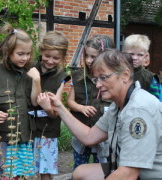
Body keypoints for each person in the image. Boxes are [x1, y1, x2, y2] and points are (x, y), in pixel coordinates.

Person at [47, 49, 162, 179]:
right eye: (96, 79)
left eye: (103, 77)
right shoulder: (117, 105)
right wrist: (60, 107)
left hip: (150, 176)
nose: (98, 85)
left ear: (125, 75)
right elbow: (89, 137)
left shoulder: (138, 110)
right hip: (128, 169)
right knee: (81, 172)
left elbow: (128, 174)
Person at [0, 23, 41, 179]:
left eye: (28, 53)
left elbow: (35, 102)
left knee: (21, 175)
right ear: (8, 52)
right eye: (20, 54)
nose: (25, 58)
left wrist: (37, 80)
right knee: (3, 173)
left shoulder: (30, 72)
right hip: (4, 137)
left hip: (24, 137)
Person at [67, 35, 114, 169]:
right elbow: (70, 101)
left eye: (93, 57)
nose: (88, 60)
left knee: (102, 170)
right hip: (81, 134)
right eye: (86, 56)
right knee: (80, 168)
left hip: (103, 136)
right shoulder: (78, 77)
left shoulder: (111, 79)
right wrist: (81, 108)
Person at [32, 31, 70, 180]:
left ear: (62, 58)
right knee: (24, 166)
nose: (50, 61)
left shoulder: (61, 77)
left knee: (45, 169)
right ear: (41, 51)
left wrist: (47, 107)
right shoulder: (31, 69)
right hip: (28, 127)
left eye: (56, 58)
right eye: (47, 56)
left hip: (48, 130)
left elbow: (56, 111)